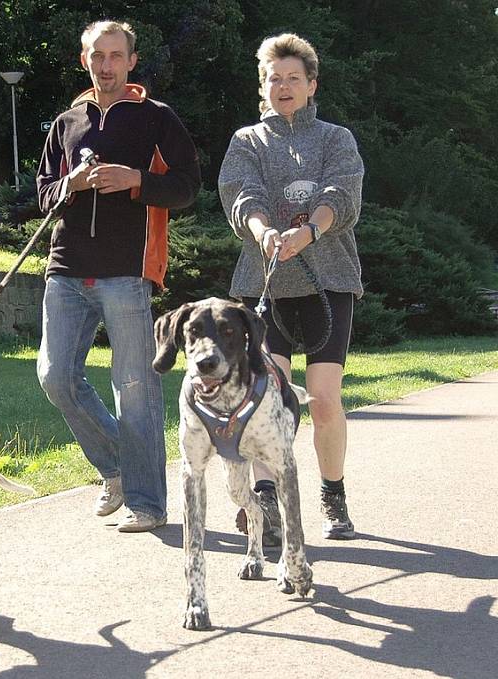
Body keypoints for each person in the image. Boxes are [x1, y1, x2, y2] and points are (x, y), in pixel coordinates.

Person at [36, 20, 201, 532]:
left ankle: (148, 504)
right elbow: (41, 195)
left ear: (131, 62)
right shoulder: (67, 121)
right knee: (56, 378)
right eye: (96, 55)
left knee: (135, 388)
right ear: (82, 59)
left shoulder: (156, 118)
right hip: (64, 270)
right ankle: (117, 470)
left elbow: (188, 185)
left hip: (127, 272)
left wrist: (137, 181)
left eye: (115, 55)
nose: (105, 65)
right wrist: (69, 183)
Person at [218, 33, 364, 541]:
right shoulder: (245, 142)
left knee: (323, 399)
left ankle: (334, 495)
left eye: (293, 79)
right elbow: (243, 195)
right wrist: (264, 233)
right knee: (270, 399)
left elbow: (340, 194)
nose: (283, 86)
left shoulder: (336, 139)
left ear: (311, 84)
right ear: (263, 85)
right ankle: (267, 502)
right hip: (265, 284)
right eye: (273, 78)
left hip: (329, 282)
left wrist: (310, 231)